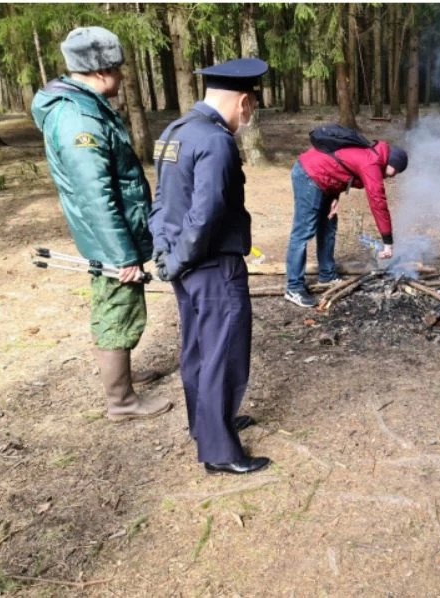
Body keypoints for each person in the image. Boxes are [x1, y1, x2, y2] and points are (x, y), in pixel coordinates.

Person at [31, 26, 172, 421]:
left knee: (119, 307)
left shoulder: (83, 106)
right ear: (100, 71)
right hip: (110, 238)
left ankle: (122, 376)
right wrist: (121, 255)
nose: (122, 77)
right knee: (118, 308)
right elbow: (95, 195)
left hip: (114, 232)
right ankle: (121, 401)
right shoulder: (79, 119)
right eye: (118, 69)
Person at [148, 58, 270, 475]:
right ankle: (219, 451)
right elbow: (206, 215)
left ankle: (207, 424)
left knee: (199, 350)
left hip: (186, 265)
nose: (249, 115)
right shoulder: (216, 141)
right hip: (213, 265)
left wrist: (166, 256)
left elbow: (161, 202)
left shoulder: (175, 132)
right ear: (243, 102)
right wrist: (180, 257)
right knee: (224, 353)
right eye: (251, 105)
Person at [284, 137, 409, 307]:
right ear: (393, 163)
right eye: (396, 171)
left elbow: (340, 166)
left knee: (328, 226)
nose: (393, 176)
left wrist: (334, 195)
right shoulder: (372, 163)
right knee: (303, 231)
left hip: (325, 180)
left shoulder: (374, 155)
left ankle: (327, 275)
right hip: (309, 175)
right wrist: (388, 242)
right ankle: (294, 287)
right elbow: (378, 202)